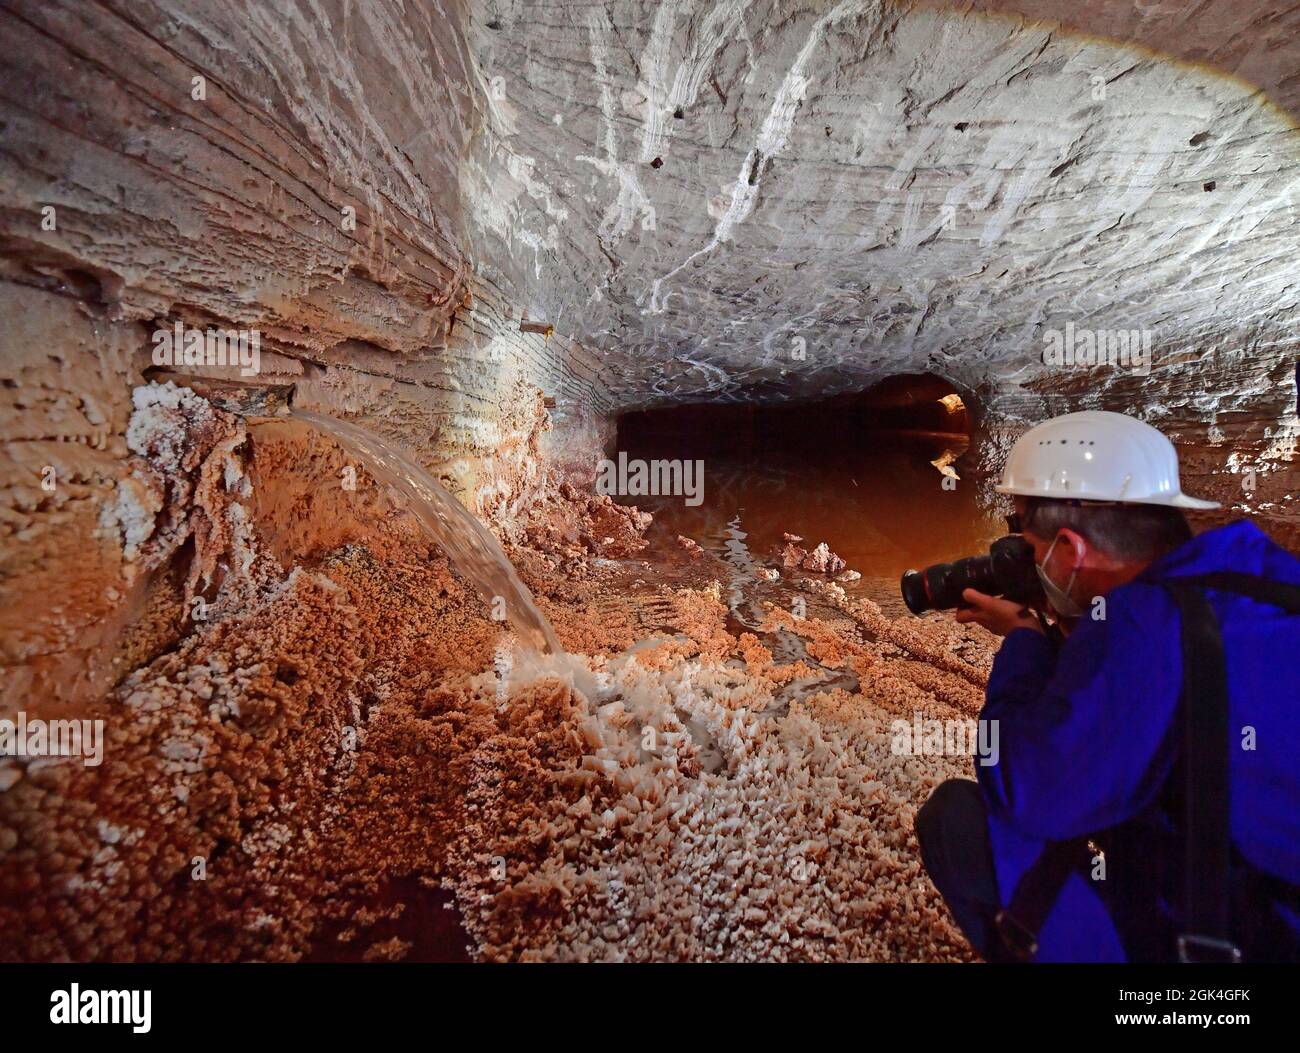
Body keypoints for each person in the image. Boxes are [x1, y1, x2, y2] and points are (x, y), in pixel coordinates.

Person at [914, 410, 1300, 962]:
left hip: (1251, 947)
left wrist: (1025, 640)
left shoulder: (1142, 625)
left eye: (1024, 534)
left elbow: (1024, 789)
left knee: (957, 822)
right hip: (1269, 878)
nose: (1022, 552)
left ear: (1070, 549)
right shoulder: (1262, 574)